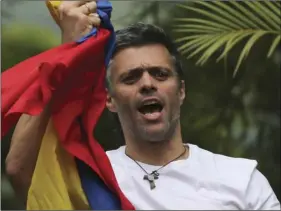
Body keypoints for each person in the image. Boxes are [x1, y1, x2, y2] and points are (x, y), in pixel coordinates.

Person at [5, 1, 280, 210]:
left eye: (160, 74)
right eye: (131, 77)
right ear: (109, 99)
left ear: (181, 91)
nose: (147, 84)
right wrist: (65, 60)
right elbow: (20, 169)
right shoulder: (89, 180)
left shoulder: (242, 179)